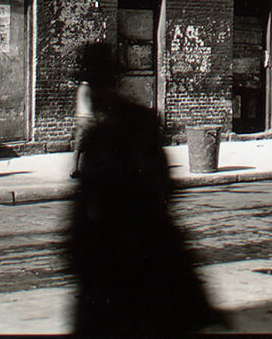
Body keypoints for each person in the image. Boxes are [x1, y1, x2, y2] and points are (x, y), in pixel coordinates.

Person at [67, 42, 222, 336]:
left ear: (110, 83)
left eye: (98, 84)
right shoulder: (107, 133)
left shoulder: (134, 127)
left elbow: (160, 190)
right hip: (115, 268)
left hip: (135, 266)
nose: (94, 94)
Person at [68, 53, 95, 180]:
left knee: (80, 146)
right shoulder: (88, 88)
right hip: (87, 119)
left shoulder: (81, 88)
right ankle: (79, 169)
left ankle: (75, 168)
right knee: (86, 147)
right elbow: (90, 105)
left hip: (81, 118)